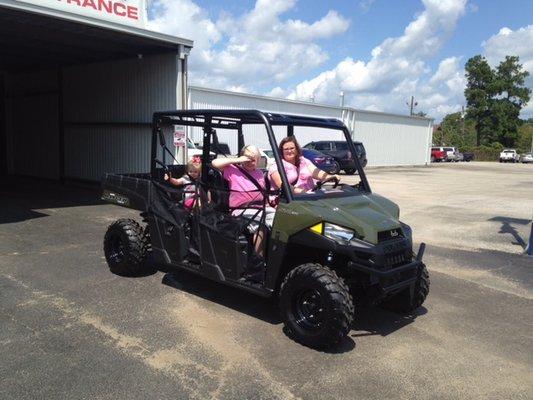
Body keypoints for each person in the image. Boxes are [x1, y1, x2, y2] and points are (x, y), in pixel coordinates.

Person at [211, 145, 275, 261]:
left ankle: (274, 257)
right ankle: (258, 262)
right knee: (260, 224)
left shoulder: (260, 173)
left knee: (280, 220)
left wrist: (269, 204)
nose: (251, 161)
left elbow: (262, 194)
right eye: (248, 158)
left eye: (254, 158)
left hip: (259, 207)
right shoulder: (232, 170)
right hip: (241, 209)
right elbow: (215, 163)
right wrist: (239, 159)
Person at [269, 136, 339, 193]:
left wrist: (329, 177)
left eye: (292, 148)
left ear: (296, 149)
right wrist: (304, 193)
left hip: (308, 198)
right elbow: (282, 186)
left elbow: (316, 172)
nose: (289, 151)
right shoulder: (276, 166)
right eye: (286, 149)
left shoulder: (303, 161)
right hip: (288, 201)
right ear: (281, 151)